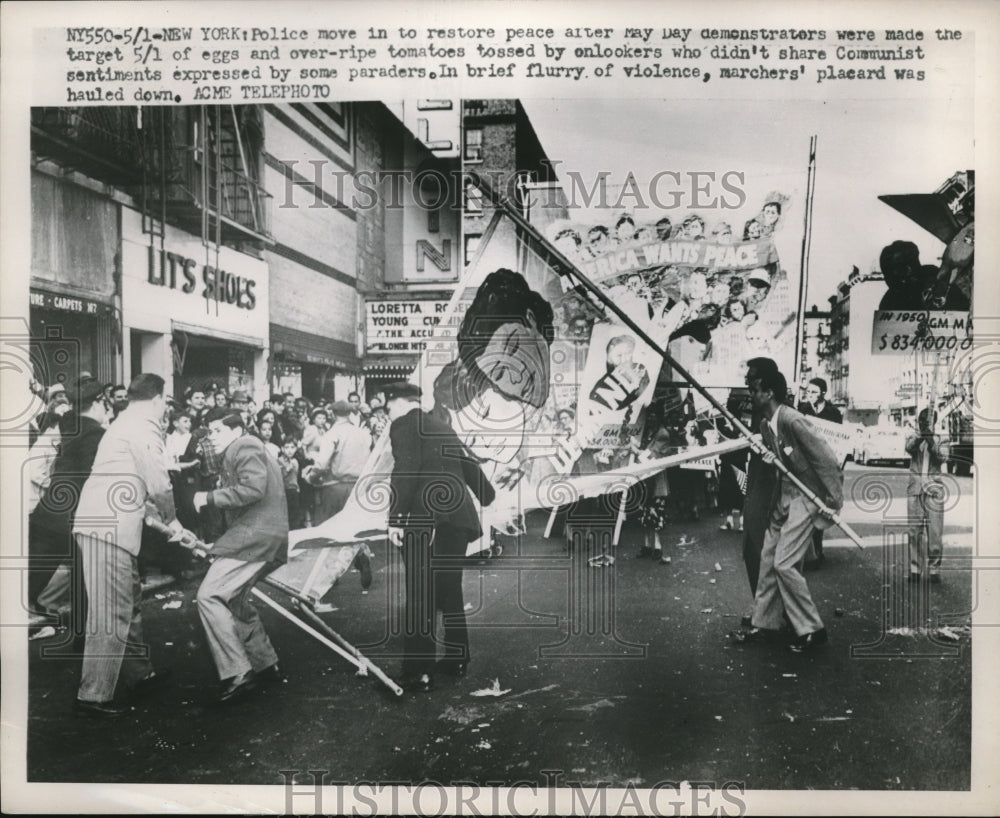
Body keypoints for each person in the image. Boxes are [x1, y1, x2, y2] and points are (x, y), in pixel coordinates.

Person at [72, 374, 187, 717]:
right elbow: (158, 482)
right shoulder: (142, 426)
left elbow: (137, 488)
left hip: (107, 525)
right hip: (108, 528)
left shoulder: (125, 424)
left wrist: (164, 523)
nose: (166, 409)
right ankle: (94, 695)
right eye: (165, 402)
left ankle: (139, 675)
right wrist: (175, 521)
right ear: (157, 399)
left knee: (128, 600)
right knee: (112, 612)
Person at [385, 381, 495, 692]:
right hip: (458, 517)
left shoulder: (403, 425)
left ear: (397, 402)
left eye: (388, 405)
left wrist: (395, 519)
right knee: (449, 587)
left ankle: (419, 671)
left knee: (420, 593)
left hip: (426, 518)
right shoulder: (440, 425)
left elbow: (405, 468)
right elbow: (466, 462)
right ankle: (457, 658)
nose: (387, 412)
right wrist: (486, 495)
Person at [730, 364, 843, 653]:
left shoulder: (793, 420)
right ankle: (765, 621)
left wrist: (833, 503)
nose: (751, 395)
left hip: (807, 497)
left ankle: (811, 628)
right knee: (768, 557)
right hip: (784, 497)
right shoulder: (767, 424)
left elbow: (826, 460)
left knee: (784, 563)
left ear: (768, 392)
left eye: (755, 390)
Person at [192, 409, 288, 703]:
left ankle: (238, 671)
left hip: (256, 537)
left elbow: (253, 489)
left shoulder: (244, 444)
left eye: (217, 431)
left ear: (236, 429)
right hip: (262, 535)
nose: (212, 437)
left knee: (209, 596)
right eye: (209, 432)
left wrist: (208, 498)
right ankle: (264, 662)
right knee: (235, 599)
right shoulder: (246, 446)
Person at [29, 376, 110, 630]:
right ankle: (82, 641)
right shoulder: (96, 434)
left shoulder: (67, 423)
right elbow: (90, 478)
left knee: (27, 580)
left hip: (47, 514)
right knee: (84, 584)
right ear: (99, 402)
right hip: (74, 519)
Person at [797, 377, 843, 566]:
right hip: (806, 465)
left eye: (814, 392)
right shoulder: (802, 410)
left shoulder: (833, 413)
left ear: (823, 393)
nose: (810, 396)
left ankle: (818, 548)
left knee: (822, 508)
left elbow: (839, 440)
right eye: (808, 392)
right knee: (807, 506)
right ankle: (808, 553)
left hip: (824, 466)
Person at [905, 408, 949, 584]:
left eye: (927, 421)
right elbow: (909, 448)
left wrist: (930, 438)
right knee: (914, 531)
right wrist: (921, 435)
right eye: (921, 421)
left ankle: (934, 569)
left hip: (934, 489)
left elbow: (943, 456)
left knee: (935, 532)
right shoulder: (914, 436)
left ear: (934, 422)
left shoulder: (942, 437)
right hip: (915, 489)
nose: (923, 424)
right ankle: (915, 569)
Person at [309, 400, 371, 524]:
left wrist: (312, 476)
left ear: (332, 414)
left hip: (335, 488)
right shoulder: (363, 434)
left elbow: (321, 464)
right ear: (349, 413)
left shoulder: (332, 434)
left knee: (329, 530)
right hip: (358, 488)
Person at [278, 436, 305, 530]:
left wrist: (297, 487)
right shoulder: (280, 461)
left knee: (295, 513)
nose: (289, 450)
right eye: (287, 447)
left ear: (296, 449)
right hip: (285, 491)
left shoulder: (295, 461)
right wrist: (287, 469)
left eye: (292, 448)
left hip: (294, 490)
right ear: (282, 449)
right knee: (287, 513)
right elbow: (279, 477)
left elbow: (295, 477)